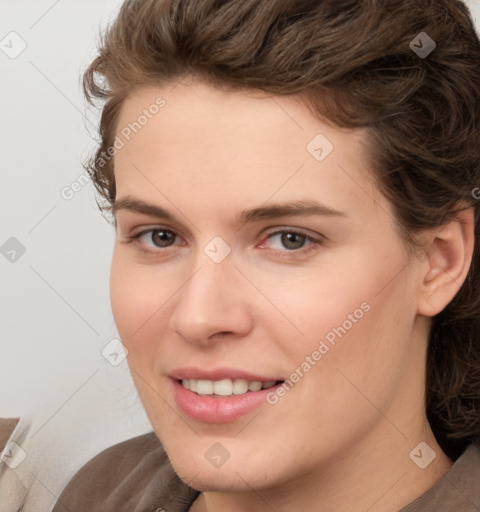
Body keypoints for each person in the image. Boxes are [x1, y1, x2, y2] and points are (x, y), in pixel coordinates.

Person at [52, 0, 480, 510]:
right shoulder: (102, 492)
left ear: (440, 260)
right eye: (159, 236)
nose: (198, 317)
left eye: (288, 239)